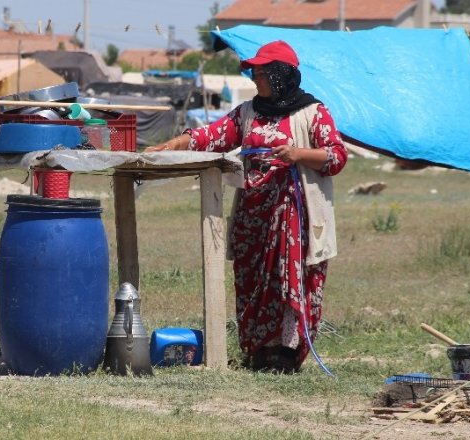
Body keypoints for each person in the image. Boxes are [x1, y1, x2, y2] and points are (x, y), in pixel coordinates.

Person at [145, 40, 348, 373]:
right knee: (253, 281)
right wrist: (168, 145)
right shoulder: (248, 112)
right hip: (253, 216)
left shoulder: (313, 113)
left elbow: (336, 156)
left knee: (288, 281)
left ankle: (286, 353)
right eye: (254, 72)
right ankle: (258, 351)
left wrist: (298, 154)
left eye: (262, 72)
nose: (256, 78)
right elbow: (210, 136)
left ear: (281, 74)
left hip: (293, 214)